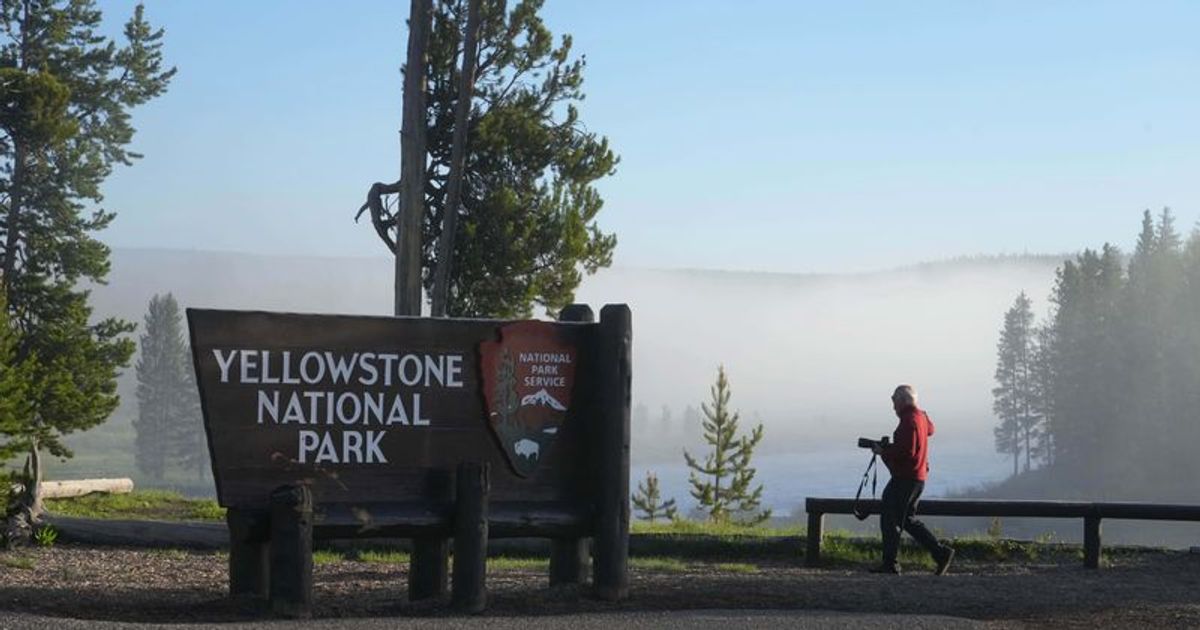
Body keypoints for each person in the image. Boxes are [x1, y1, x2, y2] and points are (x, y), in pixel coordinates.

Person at [869, 384, 955, 575]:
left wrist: (883, 451)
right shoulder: (921, 417)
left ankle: (891, 563)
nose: (893, 407)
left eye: (894, 401)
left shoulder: (909, 420)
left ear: (904, 401)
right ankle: (939, 553)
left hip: (904, 478)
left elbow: (906, 451)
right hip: (918, 478)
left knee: (889, 518)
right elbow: (930, 430)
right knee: (906, 519)